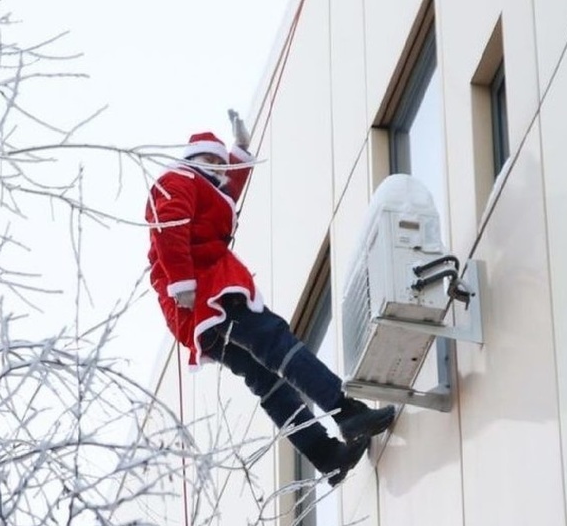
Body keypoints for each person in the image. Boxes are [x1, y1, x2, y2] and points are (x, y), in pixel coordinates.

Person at [144, 111, 395, 486]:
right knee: (277, 343)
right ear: (192, 160)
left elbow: (226, 187)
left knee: (266, 380)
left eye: (218, 161)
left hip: (198, 310)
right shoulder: (178, 180)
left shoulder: (201, 185)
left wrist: (240, 150)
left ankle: (324, 453)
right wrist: (182, 282)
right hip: (209, 295)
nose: (217, 167)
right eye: (209, 161)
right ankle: (344, 410)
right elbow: (169, 226)